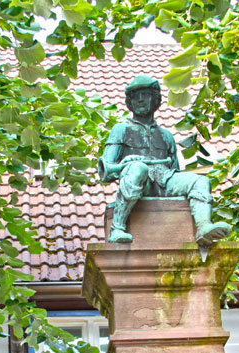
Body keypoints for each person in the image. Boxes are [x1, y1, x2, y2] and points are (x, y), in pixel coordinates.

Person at [98, 75, 231, 245]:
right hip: (139, 182)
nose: (140, 99)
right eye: (136, 96)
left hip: (165, 180)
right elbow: (106, 171)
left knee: (200, 181)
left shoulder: (166, 136)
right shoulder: (121, 130)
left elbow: (175, 170)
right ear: (130, 102)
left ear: (154, 99)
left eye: (145, 94)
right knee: (139, 169)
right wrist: (127, 165)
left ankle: (203, 227)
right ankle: (117, 228)